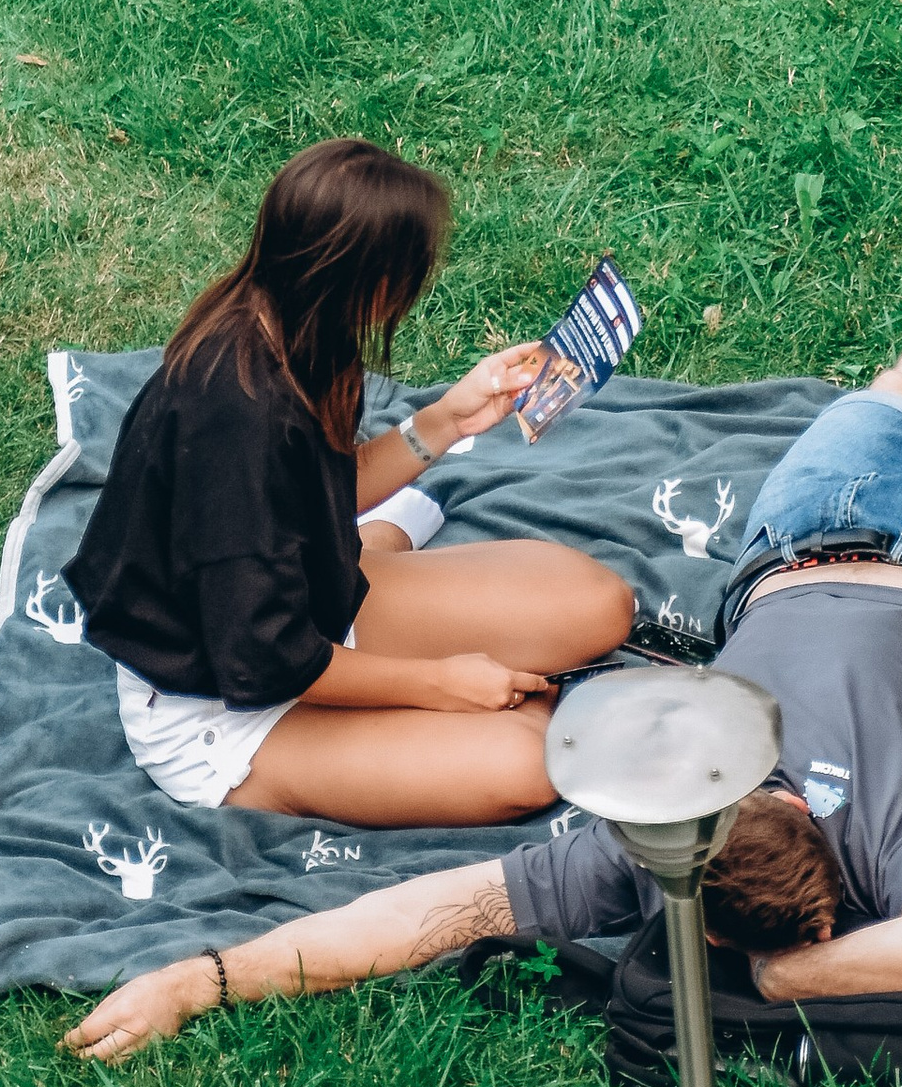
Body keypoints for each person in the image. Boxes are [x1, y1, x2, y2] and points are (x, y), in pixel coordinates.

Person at [63, 116, 902, 1064]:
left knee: (872, 419)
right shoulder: (896, 834)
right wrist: (444, 683)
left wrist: (201, 982)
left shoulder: (652, 837)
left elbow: (420, 915)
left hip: (779, 551)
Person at [63, 137, 636, 829]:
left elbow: (315, 495)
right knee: (526, 760)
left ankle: (381, 555)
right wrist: (438, 684)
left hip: (313, 598)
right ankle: (388, 593)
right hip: (227, 705)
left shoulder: (295, 325)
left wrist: (447, 420)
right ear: (364, 279)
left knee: (602, 606)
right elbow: (265, 658)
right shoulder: (234, 422)